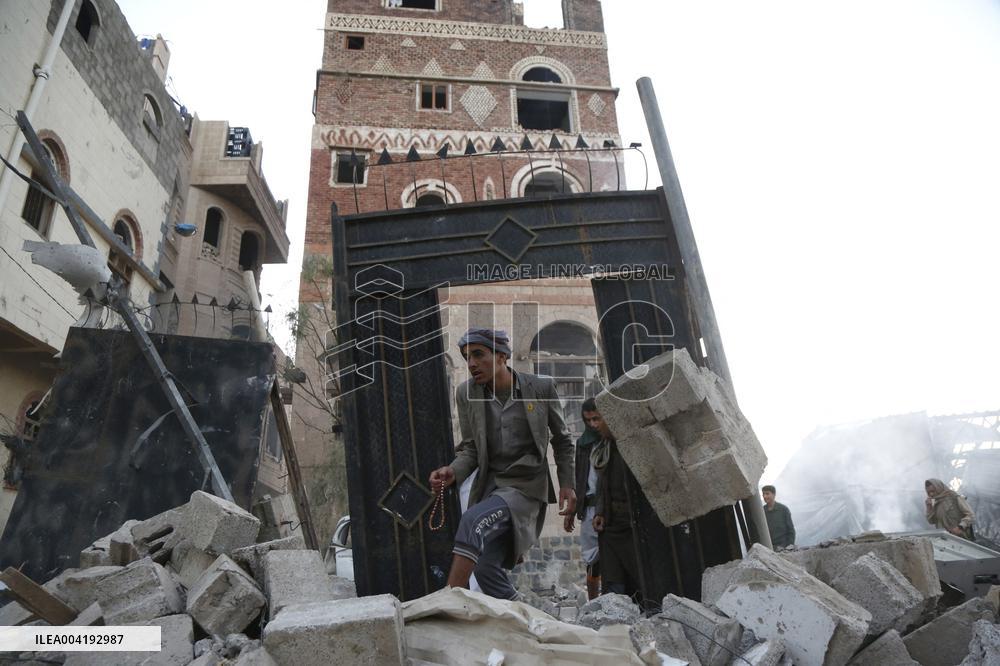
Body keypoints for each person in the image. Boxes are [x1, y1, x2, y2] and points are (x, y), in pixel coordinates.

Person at [429, 328, 576, 600]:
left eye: (478, 355)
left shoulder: (540, 388)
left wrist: (567, 484)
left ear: (501, 357)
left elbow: (563, 440)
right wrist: (452, 471)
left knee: (472, 521)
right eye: (466, 357)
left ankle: (448, 605)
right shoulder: (466, 394)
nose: (471, 363)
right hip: (491, 487)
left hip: (527, 486)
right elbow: (471, 449)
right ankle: (527, 617)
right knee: (485, 567)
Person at [590, 413, 640, 601]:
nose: (595, 425)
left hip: (632, 526)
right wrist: (600, 512)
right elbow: (602, 485)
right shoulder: (606, 448)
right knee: (613, 579)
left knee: (637, 576)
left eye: (599, 419)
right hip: (611, 525)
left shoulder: (632, 446)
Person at [564, 398, 602, 600]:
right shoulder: (583, 444)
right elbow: (580, 478)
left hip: (611, 507)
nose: (593, 424)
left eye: (596, 419)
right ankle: (594, 602)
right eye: (588, 420)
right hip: (589, 508)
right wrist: (573, 509)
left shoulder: (612, 441)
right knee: (592, 559)